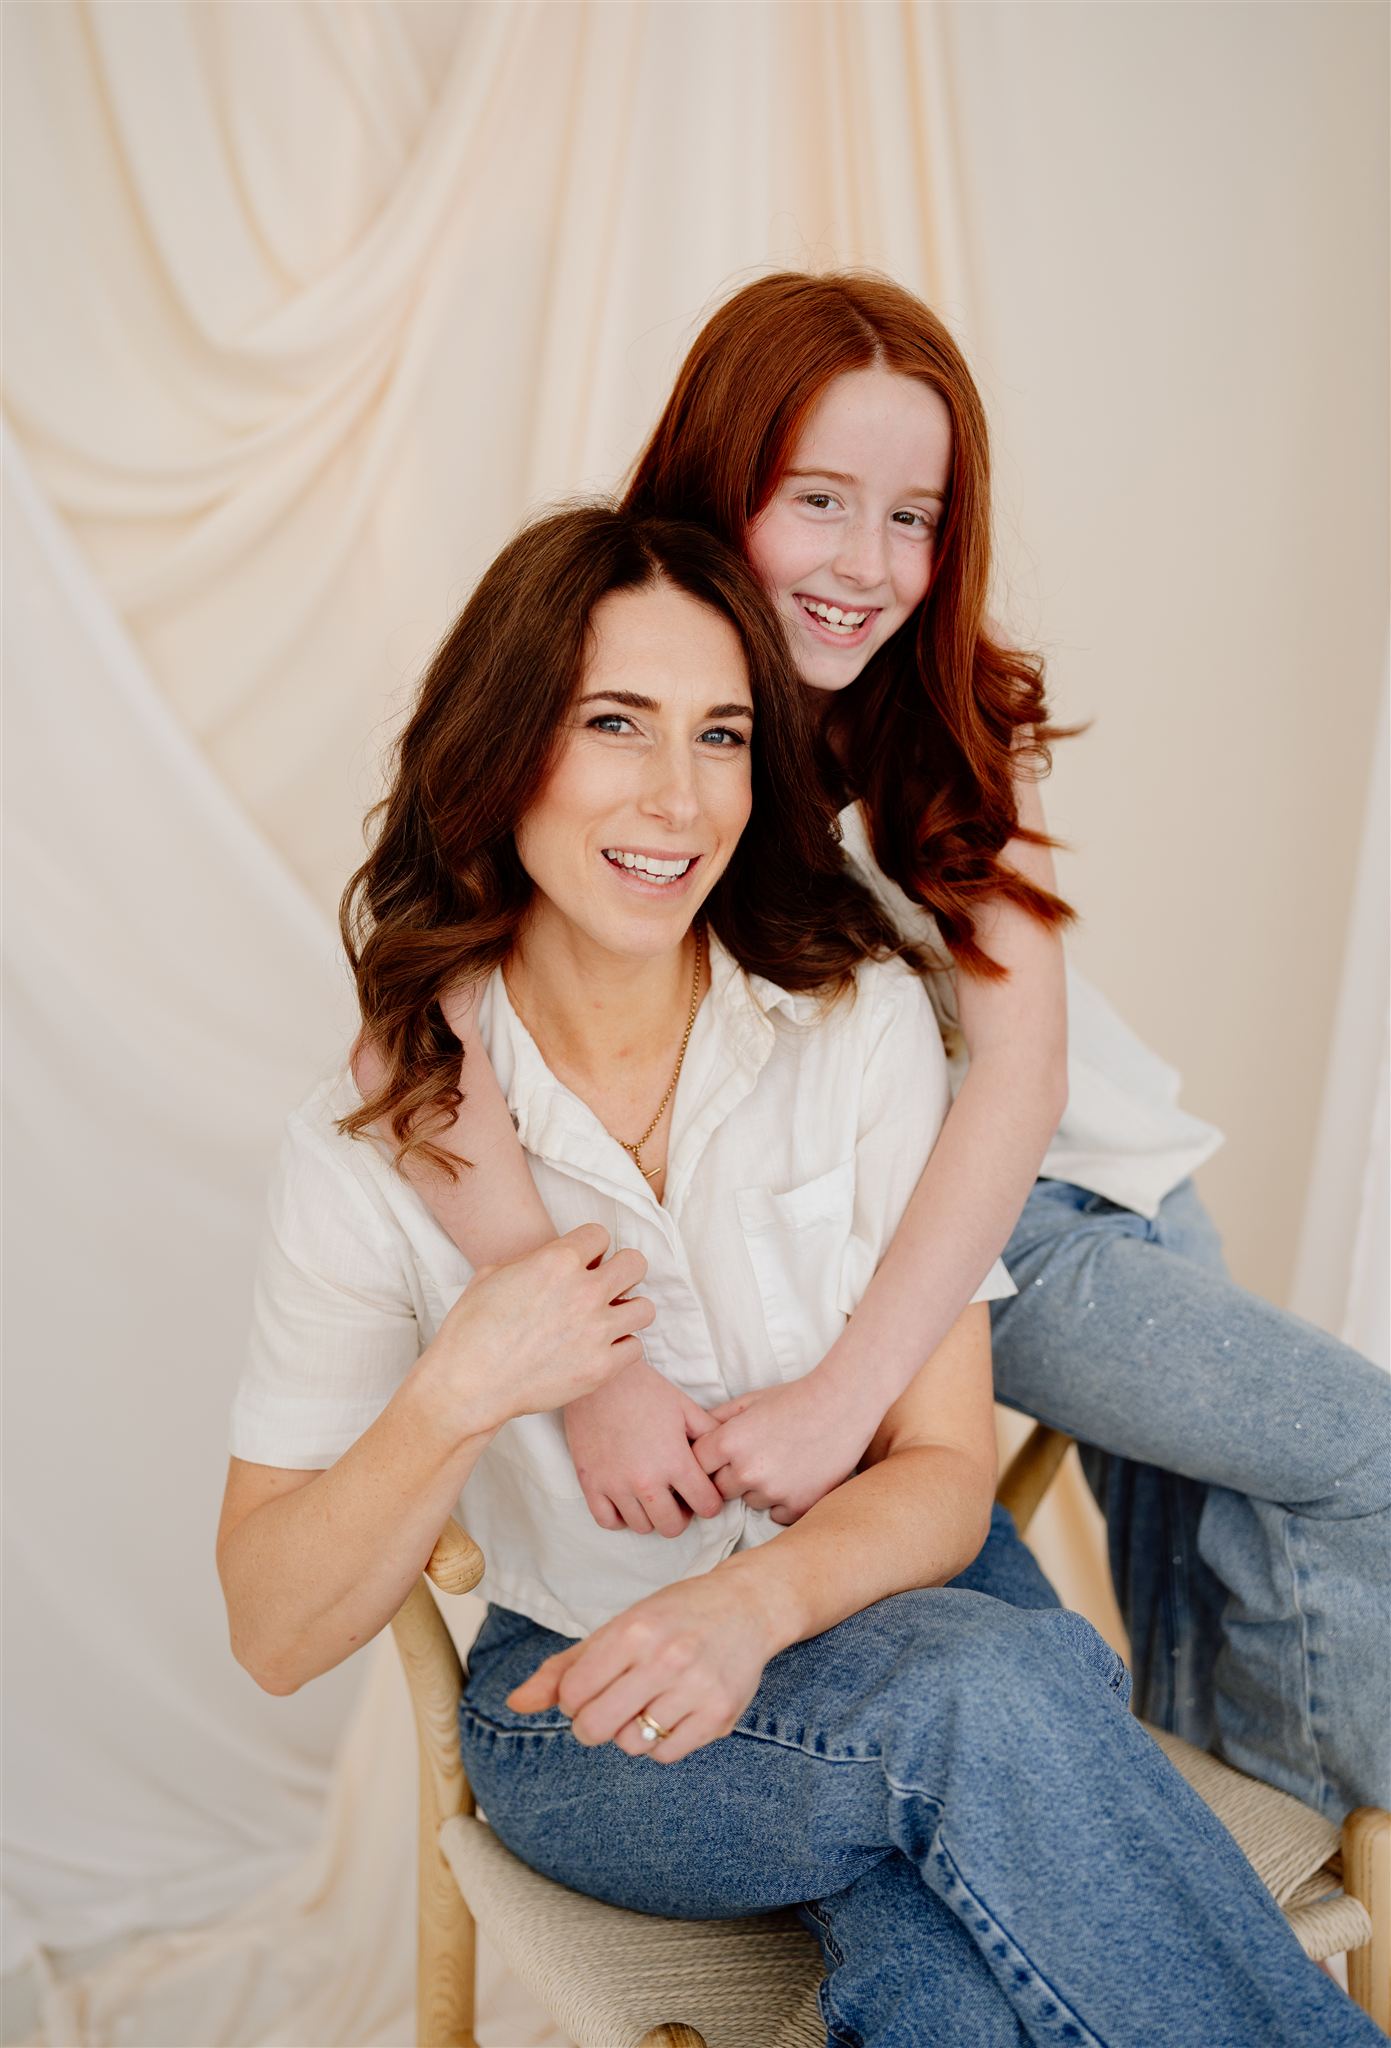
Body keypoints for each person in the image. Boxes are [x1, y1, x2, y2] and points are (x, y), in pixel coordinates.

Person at [220, 505, 1376, 2046]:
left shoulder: (856, 1027)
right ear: (502, 754)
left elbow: (946, 1469)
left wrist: (754, 1606)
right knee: (1001, 1699)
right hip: (592, 1711)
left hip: (916, 1610)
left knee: (953, 1976)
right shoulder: (384, 1136)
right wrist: (463, 1388)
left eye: (723, 735)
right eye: (613, 724)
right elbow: (274, 1630)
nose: (676, 796)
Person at [358, 271, 1390, 1822]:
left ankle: (1219, 1856)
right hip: (969, 1229)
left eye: (913, 517)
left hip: (1104, 1183)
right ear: (724, 479)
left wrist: (853, 1389)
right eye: (819, 500)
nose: (869, 565)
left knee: (1214, 1526)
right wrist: (595, 1368)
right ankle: (1218, 1862)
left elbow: (1026, 1077)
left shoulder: (938, 717)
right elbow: (415, 1016)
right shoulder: (647, 701)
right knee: (1360, 1450)